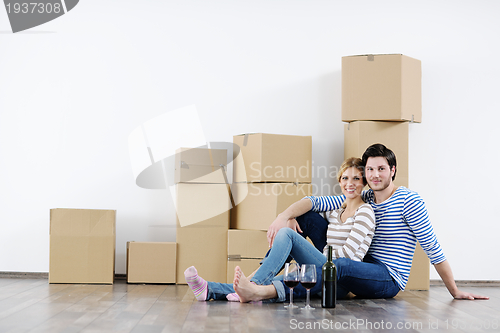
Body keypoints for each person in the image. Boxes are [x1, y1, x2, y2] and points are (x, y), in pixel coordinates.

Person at [265, 143, 489, 300]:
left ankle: (269, 290)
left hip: (387, 277)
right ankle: (264, 276)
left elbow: (433, 248)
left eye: (381, 169)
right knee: (307, 217)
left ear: (392, 170)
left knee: (338, 265)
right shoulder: (366, 196)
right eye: (370, 169)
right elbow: (315, 201)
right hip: (362, 264)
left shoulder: (409, 200)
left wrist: (455, 291)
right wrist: (284, 217)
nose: (375, 175)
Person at [184, 157, 376, 302]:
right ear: (339, 181)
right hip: (323, 269)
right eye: (345, 178)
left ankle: (252, 283)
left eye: (356, 179)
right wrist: (291, 217)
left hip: (339, 280)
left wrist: (308, 261)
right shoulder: (336, 211)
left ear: (364, 183)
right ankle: (209, 289)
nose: (350, 183)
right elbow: (311, 206)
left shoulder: (365, 212)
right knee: (274, 279)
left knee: (286, 235)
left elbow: (347, 259)